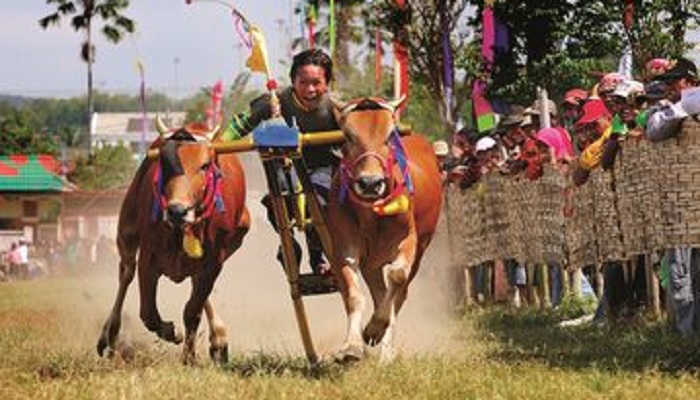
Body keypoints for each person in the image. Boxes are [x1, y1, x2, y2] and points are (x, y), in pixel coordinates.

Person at [224, 48, 339, 277]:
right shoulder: (274, 102)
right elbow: (239, 127)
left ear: (327, 83)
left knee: (319, 202)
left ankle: (319, 255)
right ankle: (287, 247)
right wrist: (216, 145)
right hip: (284, 169)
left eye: (316, 83)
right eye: (303, 82)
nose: (310, 89)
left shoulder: (336, 108)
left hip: (323, 169)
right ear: (293, 81)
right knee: (278, 200)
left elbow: (362, 135)